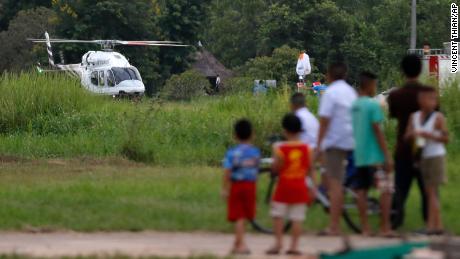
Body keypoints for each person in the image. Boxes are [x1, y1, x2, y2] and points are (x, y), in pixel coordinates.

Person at [388, 54, 430, 230]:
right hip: (425, 148)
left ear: (403, 71)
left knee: (400, 188)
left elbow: (394, 116)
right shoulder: (428, 94)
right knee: (427, 190)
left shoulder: (396, 95)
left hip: (403, 147)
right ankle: (430, 223)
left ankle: (393, 222)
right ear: (420, 70)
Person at [316, 62, 357, 235]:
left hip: (336, 143)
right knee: (335, 178)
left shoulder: (330, 92)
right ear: (345, 75)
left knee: (335, 184)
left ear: (329, 75)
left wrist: (318, 145)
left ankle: (334, 226)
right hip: (352, 141)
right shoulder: (351, 92)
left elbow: (324, 121)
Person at [351, 72, 394, 236]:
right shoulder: (373, 106)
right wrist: (387, 154)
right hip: (375, 155)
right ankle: (385, 227)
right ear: (369, 85)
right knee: (386, 189)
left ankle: (365, 228)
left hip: (359, 154)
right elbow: (377, 131)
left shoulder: (354, 106)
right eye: (374, 84)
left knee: (361, 190)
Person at [266, 114, 315, 256]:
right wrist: (313, 188)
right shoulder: (307, 149)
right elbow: (310, 170)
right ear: (300, 130)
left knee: (278, 215)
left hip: (284, 187)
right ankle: (294, 246)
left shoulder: (279, 149)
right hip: (300, 187)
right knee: (297, 218)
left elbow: (276, 168)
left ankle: (278, 243)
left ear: (284, 131)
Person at [405, 88, 448, 235]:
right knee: (430, 192)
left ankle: (432, 226)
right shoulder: (414, 117)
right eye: (429, 98)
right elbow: (407, 136)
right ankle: (437, 225)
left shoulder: (438, 117)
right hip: (422, 156)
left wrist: (429, 135)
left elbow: (445, 138)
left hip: (435, 156)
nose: (432, 102)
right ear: (420, 100)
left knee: (431, 191)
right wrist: (413, 134)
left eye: (434, 99)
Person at [222, 119, 261, 254]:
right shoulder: (256, 152)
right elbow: (256, 170)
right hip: (251, 185)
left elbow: (227, 171)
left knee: (239, 216)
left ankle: (241, 245)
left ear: (235, 135)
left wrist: (225, 188)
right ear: (252, 135)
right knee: (244, 215)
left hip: (237, 186)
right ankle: (237, 243)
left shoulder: (232, 153)